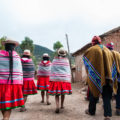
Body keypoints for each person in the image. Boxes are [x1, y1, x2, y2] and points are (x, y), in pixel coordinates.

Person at [83, 36, 117, 120]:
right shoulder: (108, 50)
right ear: (100, 42)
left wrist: (91, 73)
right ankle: (107, 115)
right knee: (106, 96)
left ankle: (91, 111)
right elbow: (113, 63)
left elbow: (86, 61)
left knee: (93, 94)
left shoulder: (90, 50)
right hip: (107, 76)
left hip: (95, 77)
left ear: (93, 43)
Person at [0, 38, 24, 120]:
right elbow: (19, 71)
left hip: (1, 84)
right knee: (8, 105)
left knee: (2, 104)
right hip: (13, 85)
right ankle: (6, 118)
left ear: (5, 46)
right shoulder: (17, 57)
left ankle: (5, 118)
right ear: (14, 47)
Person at [48, 48, 72, 113]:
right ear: (64, 54)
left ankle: (57, 106)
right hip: (64, 80)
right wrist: (69, 78)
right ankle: (62, 105)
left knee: (57, 94)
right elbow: (68, 70)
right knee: (63, 93)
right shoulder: (66, 61)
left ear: (58, 53)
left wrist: (51, 78)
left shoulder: (54, 60)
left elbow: (52, 69)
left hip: (56, 79)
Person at [106, 42, 120, 116]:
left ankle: (107, 106)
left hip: (109, 76)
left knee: (107, 92)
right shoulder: (118, 54)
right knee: (118, 92)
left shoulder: (107, 54)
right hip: (118, 76)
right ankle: (118, 109)